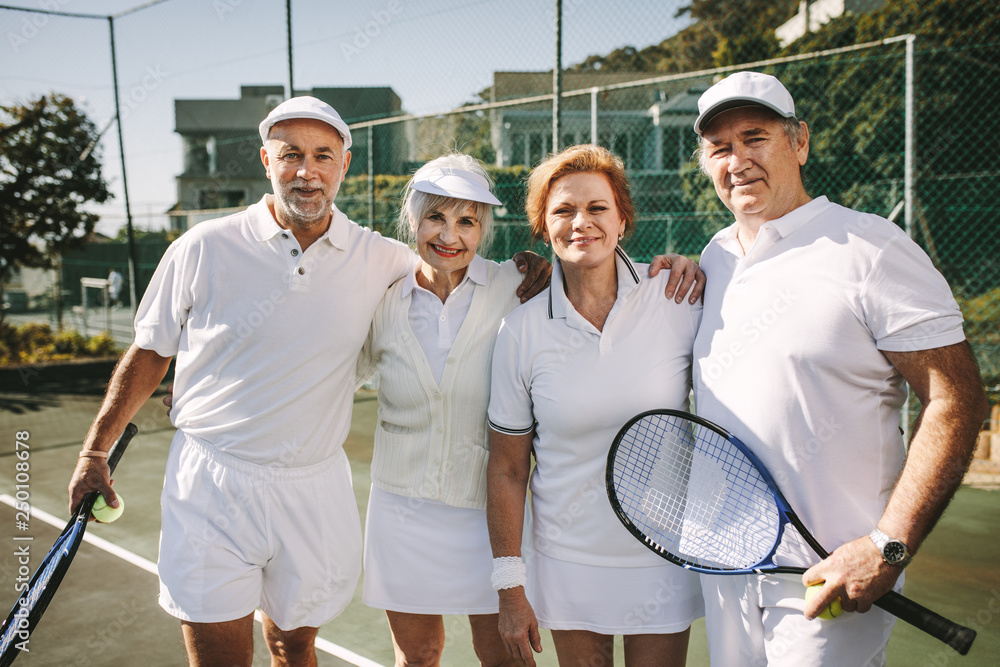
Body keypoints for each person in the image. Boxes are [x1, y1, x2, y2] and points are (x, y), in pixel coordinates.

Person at [67, 96, 551, 667]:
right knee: (217, 653)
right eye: (291, 154)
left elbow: (449, 263)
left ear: (344, 164)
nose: (307, 170)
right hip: (211, 484)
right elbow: (150, 351)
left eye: (323, 155)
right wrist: (95, 450)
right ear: (265, 160)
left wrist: (534, 266)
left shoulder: (383, 261)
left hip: (313, 486)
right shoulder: (203, 246)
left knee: (292, 646)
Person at [686, 71, 989, 666]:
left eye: (756, 137)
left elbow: (958, 400)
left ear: (799, 143)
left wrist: (887, 547)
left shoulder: (871, 249)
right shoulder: (713, 257)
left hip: (829, 579)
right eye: (720, 148)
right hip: (727, 572)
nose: (738, 159)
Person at [487, 144, 705, 667]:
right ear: (543, 227)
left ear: (623, 220)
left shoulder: (679, 301)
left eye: (597, 208)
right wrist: (510, 589)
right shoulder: (519, 329)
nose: (580, 222)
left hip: (664, 556)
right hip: (566, 561)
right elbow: (508, 468)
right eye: (562, 210)